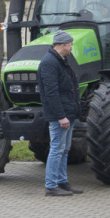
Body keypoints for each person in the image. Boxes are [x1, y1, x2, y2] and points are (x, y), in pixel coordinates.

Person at [38, 29, 83, 196]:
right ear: (62, 45)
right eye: (70, 45)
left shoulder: (62, 61)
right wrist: (60, 116)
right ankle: (51, 186)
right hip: (61, 115)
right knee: (57, 148)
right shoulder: (49, 63)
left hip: (68, 113)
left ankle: (62, 182)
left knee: (64, 149)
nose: (71, 48)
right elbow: (51, 92)